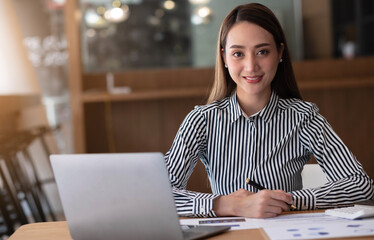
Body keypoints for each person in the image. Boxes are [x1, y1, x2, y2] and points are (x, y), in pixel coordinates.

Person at [164, 3, 374, 218]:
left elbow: (360, 185)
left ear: (280, 52)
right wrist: (228, 205)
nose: (251, 66)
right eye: (238, 54)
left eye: (262, 51)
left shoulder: (304, 118)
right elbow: (161, 194)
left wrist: (288, 200)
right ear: (224, 57)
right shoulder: (202, 120)